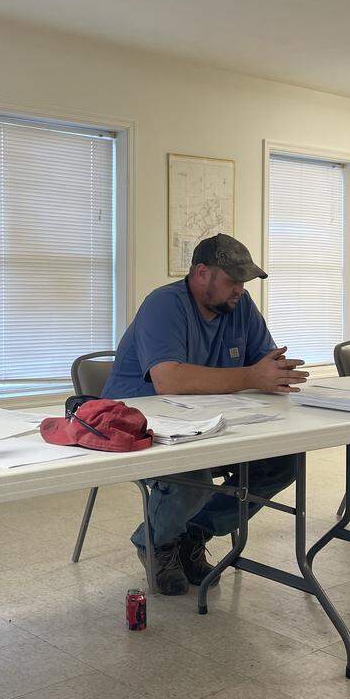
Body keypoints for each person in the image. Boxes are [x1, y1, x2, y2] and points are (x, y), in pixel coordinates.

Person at [102, 233, 308, 595]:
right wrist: (251, 376)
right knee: (194, 472)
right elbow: (168, 380)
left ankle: (193, 532)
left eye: (244, 282)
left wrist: (273, 373)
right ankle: (156, 542)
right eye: (232, 280)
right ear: (201, 273)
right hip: (138, 421)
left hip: (206, 418)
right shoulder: (164, 305)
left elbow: (266, 363)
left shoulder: (239, 307)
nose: (240, 290)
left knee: (283, 462)